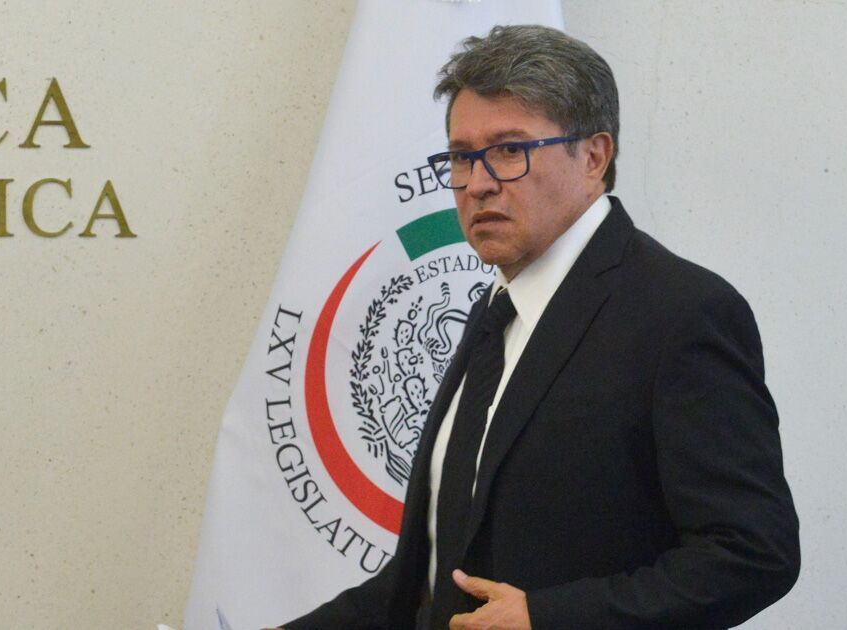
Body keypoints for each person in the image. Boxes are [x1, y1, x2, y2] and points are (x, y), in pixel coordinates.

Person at [280, 24, 800, 629]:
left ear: (594, 157)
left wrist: (547, 619)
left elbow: (751, 554)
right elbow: (432, 578)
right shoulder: (494, 311)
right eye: (461, 157)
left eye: (509, 150)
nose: (478, 184)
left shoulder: (681, 312)